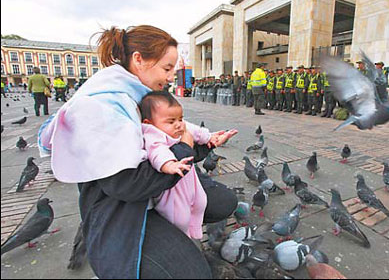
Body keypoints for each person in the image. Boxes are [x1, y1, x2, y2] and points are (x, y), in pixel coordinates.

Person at [37, 25, 238, 279]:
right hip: (120, 209)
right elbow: (127, 186)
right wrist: (184, 148)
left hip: (153, 185)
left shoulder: (139, 96)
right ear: (139, 60)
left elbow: (169, 139)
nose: (170, 76)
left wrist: (206, 144)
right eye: (167, 68)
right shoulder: (102, 106)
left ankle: (171, 229)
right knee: (194, 274)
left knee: (223, 201)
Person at [140, 90, 214, 240]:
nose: (179, 125)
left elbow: (195, 132)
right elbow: (157, 151)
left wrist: (210, 137)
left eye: (180, 119)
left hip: (190, 179)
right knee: (180, 217)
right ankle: (182, 237)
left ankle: (195, 229)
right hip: (173, 189)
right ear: (149, 123)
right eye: (171, 121)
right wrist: (169, 164)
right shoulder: (153, 135)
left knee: (201, 202)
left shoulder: (179, 128)